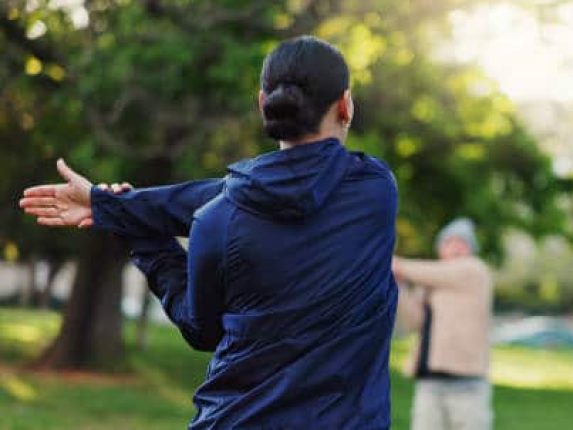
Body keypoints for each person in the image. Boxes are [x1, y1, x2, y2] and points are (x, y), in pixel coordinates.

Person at [19, 36, 398, 429]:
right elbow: (232, 195)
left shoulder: (218, 220)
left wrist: (131, 224)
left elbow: (203, 328)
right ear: (345, 105)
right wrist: (115, 209)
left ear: (262, 103)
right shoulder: (375, 191)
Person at [392, 218, 494, 430]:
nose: (455, 247)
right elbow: (413, 322)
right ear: (440, 249)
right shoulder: (430, 284)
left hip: (467, 386)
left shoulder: (475, 272)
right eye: (449, 242)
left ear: (471, 249)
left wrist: (397, 265)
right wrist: (399, 287)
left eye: (462, 242)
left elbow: (431, 272)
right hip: (430, 383)